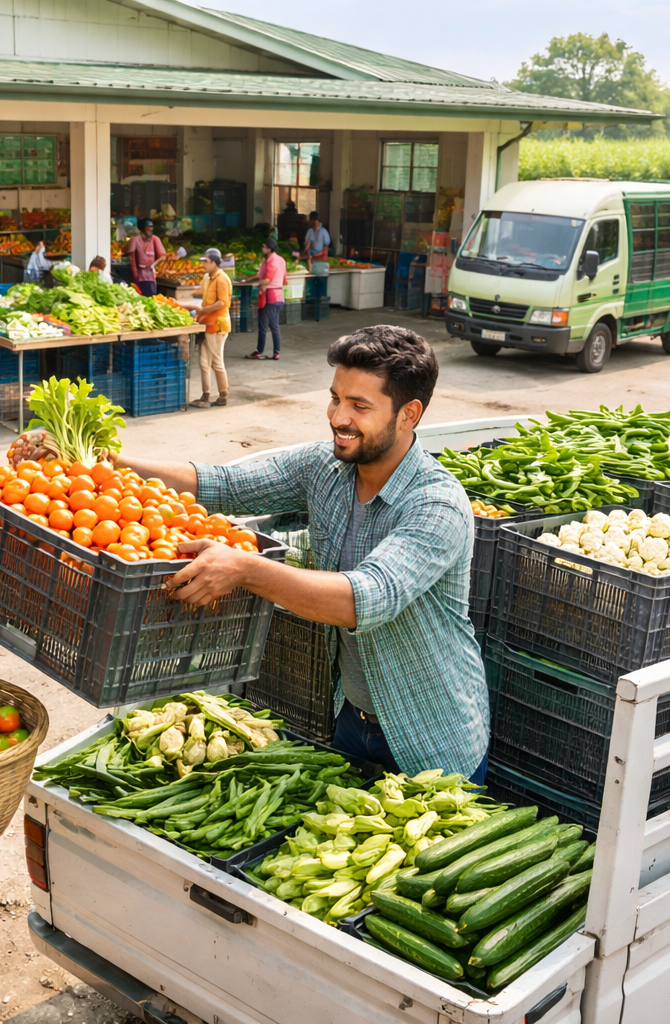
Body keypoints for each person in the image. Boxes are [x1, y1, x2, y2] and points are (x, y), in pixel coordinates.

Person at [108, 325, 489, 780]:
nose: (338, 417)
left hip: (433, 736)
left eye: (360, 406)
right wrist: (106, 462)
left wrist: (245, 568)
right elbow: (225, 484)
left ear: (408, 414)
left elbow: (364, 598)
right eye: (336, 398)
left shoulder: (437, 504)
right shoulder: (324, 467)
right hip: (351, 718)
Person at [189, 247, 231, 408]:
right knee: (203, 362)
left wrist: (202, 310)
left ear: (214, 262)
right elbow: (202, 293)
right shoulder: (208, 277)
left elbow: (223, 303)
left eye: (206, 262)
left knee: (216, 362)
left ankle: (223, 395)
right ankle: (205, 394)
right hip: (207, 323)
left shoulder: (222, 279)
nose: (203, 265)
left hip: (218, 325)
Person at [247, 236, 286, 360]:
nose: (262, 249)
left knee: (270, 325)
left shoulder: (272, 261)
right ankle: (266, 351)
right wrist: (249, 279)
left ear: (269, 248)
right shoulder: (281, 260)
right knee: (266, 325)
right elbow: (284, 280)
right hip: (278, 295)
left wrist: (257, 283)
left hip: (270, 296)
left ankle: (273, 352)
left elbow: (266, 280)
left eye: (264, 247)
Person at [127, 218, 165, 297]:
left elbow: (163, 256)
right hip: (140, 275)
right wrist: (135, 276)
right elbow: (132, 258)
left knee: (152, 295)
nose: (149, 232)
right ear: (142, 229)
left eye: (151, 229)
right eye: (147, 229)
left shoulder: (155, 239)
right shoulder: (135, 239)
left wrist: (154, 264)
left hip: (151, 275)